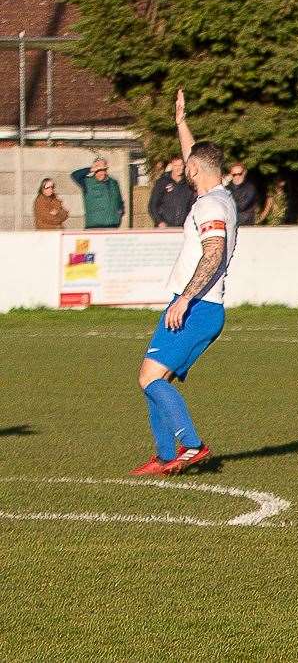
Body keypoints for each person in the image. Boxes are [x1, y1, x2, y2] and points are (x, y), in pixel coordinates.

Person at [129, 89, 238, 476]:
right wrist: (181, 123)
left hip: (197, 307)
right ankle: (164, 456)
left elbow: (214, 252)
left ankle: (191, 445)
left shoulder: (210, 205)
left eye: (189, 167)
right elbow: (198, 159)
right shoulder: (220, 194)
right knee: (154, 378)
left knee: (149, 378)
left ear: (193, 171)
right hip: (200, 307)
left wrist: (185, 299)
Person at [71, 157, 124, 229]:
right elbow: (74, 175)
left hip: (113, 225)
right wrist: (91, 169)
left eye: (103, 169)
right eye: (98, 170)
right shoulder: (87, 182)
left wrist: (120, 211)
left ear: (106, 169)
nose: (101, 173)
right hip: (94, 226)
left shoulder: (114, 182)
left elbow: (119, 200)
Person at [147, 157, 195, 228]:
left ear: (184, 165)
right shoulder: (162, 182)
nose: (178, 168)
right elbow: (152, 205)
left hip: (183, 228)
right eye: (176, 165)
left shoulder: (188, 184)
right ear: (171, 165)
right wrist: (159, 221)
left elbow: (192, 205)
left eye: (180, 165)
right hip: (164, 228)